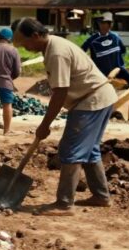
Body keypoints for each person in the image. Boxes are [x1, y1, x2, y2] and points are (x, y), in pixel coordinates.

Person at [12, 17, 117, 216]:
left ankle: (64, 203)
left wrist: (45, 125)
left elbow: (60, 92)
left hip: (91, 101)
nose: (26, 48)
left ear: (35, 35)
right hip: (97, 98)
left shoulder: (56, 52)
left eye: (26, 43)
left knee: (71, 150)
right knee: (90, 150)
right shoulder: (53, 46)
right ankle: (101, 196)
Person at [81, 12, 129, 87]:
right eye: (102, 23)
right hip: (102, 74)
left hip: (118, 69)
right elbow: (81, 52)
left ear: (110, 25)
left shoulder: (115, 37)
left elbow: (123, 50)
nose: (104, 26)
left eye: (107, 23)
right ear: (98, 24)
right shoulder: (92, 40)